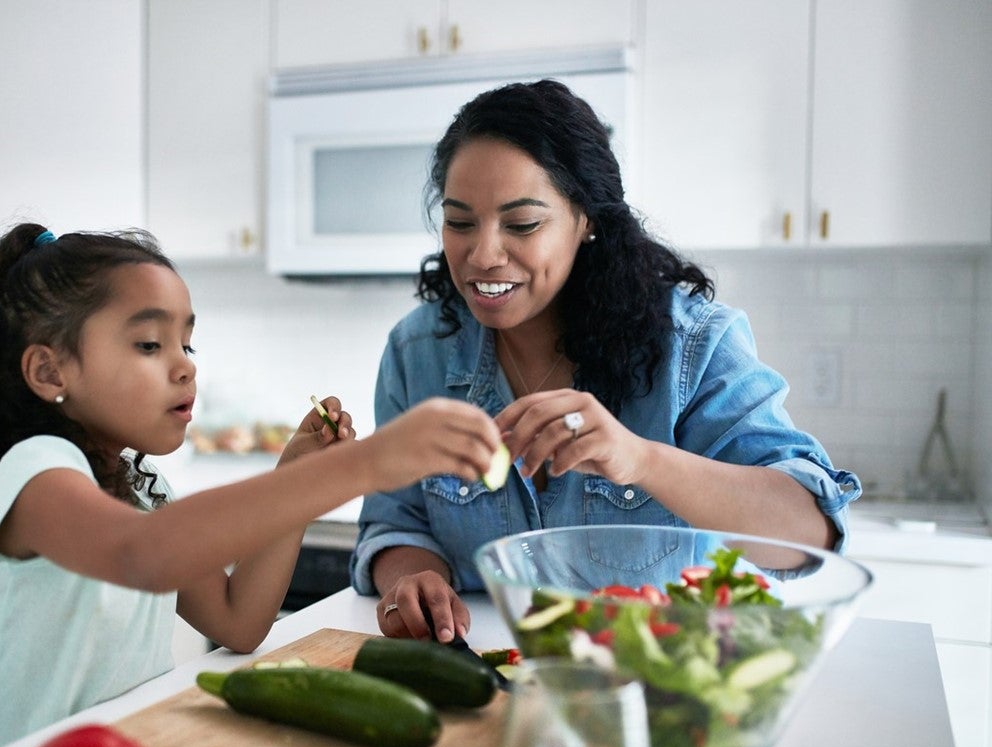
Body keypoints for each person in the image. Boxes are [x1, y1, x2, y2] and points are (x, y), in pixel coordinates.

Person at [0, 223, 503, 747]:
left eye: (187, 346)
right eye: (149, 344)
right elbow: (143, 555)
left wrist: (296, 476)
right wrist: (366, 463)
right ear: (49, 370)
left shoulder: (144, 492)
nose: (184, 369)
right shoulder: (37, 472)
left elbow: (238, 621)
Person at [350, 79, 862, 643]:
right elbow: (396, 521)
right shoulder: (416, 352)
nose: (483, 256)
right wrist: (416, 576)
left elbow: (809, 531)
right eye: (460, 222)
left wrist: (640, 459)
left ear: (586, 219)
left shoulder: (692, 346)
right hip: (480, 681)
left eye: (522, 225)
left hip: (655, 687)